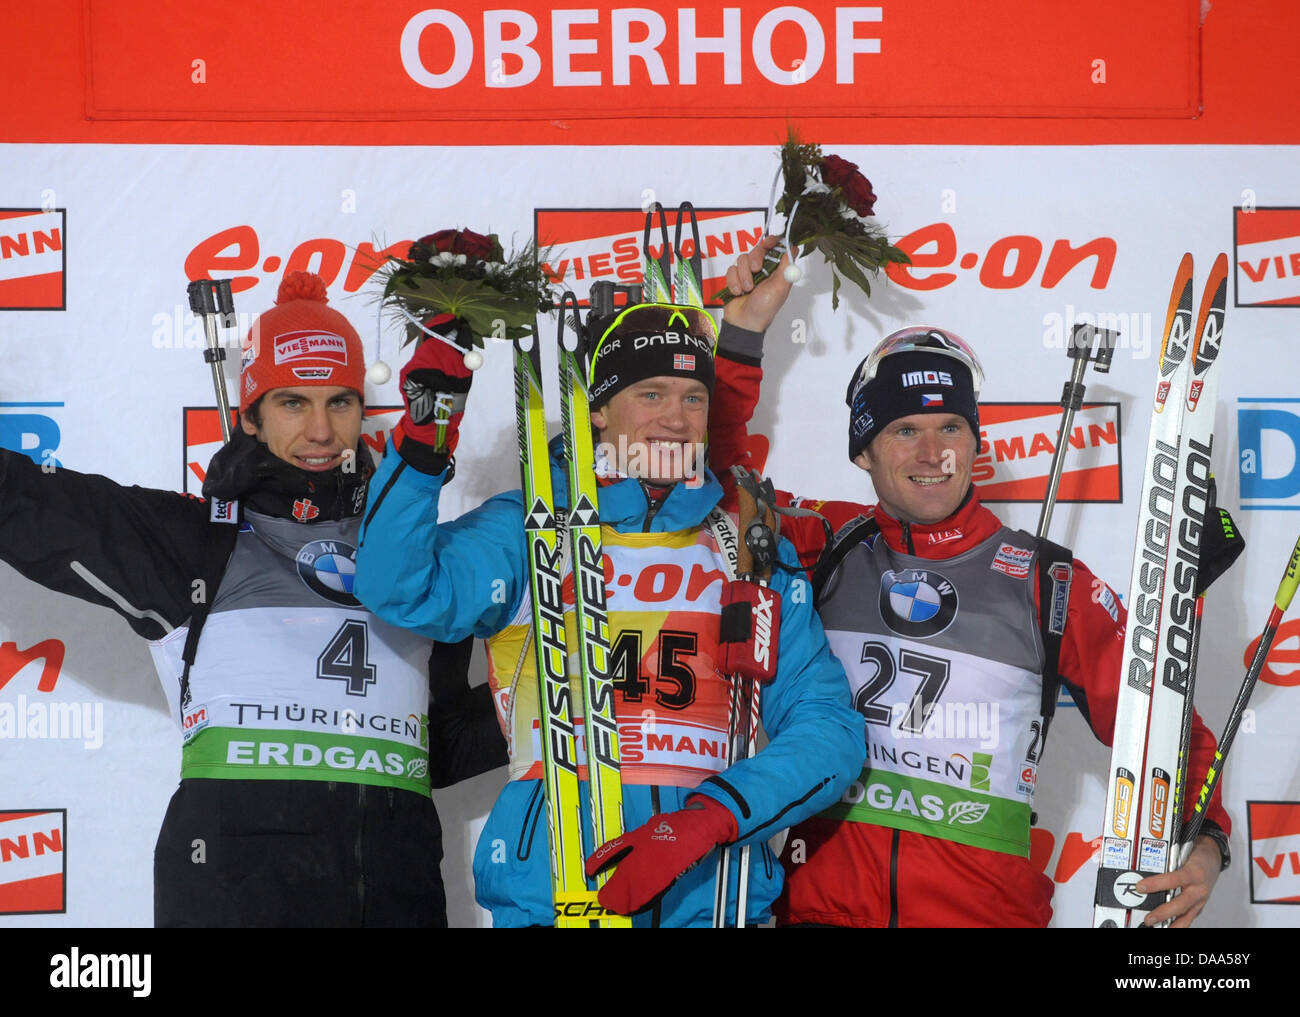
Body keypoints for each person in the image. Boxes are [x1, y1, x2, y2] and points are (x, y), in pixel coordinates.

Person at [708, 240, 1233, 928]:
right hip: (825, 914)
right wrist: (741, 337)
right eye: (905, 431)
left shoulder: (1046, 579)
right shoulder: (822, 545)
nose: (933, 453)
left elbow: (1161, 716)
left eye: (952, 426)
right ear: (862, 450)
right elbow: (717, 490)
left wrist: (1209, 842)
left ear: (977, 441)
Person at [0, 270, 502, 927]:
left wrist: (541, 706)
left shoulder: (410, 562)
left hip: (389, 900)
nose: (321, 430)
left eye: (341, 401)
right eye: (294, 402)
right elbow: (28, 503)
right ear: (251, 416)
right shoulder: (193, 542)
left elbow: (433, 747)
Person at [354, 299, 865, 927]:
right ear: (597, 410)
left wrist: (711, 817)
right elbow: (398, 586)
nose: (676, 419)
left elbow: (828, 732)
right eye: (650, 395)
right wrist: (429, 437)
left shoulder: (748, 546)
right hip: (556, 894)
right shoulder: (531, 526)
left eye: (693, 398)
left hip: (711, 898)